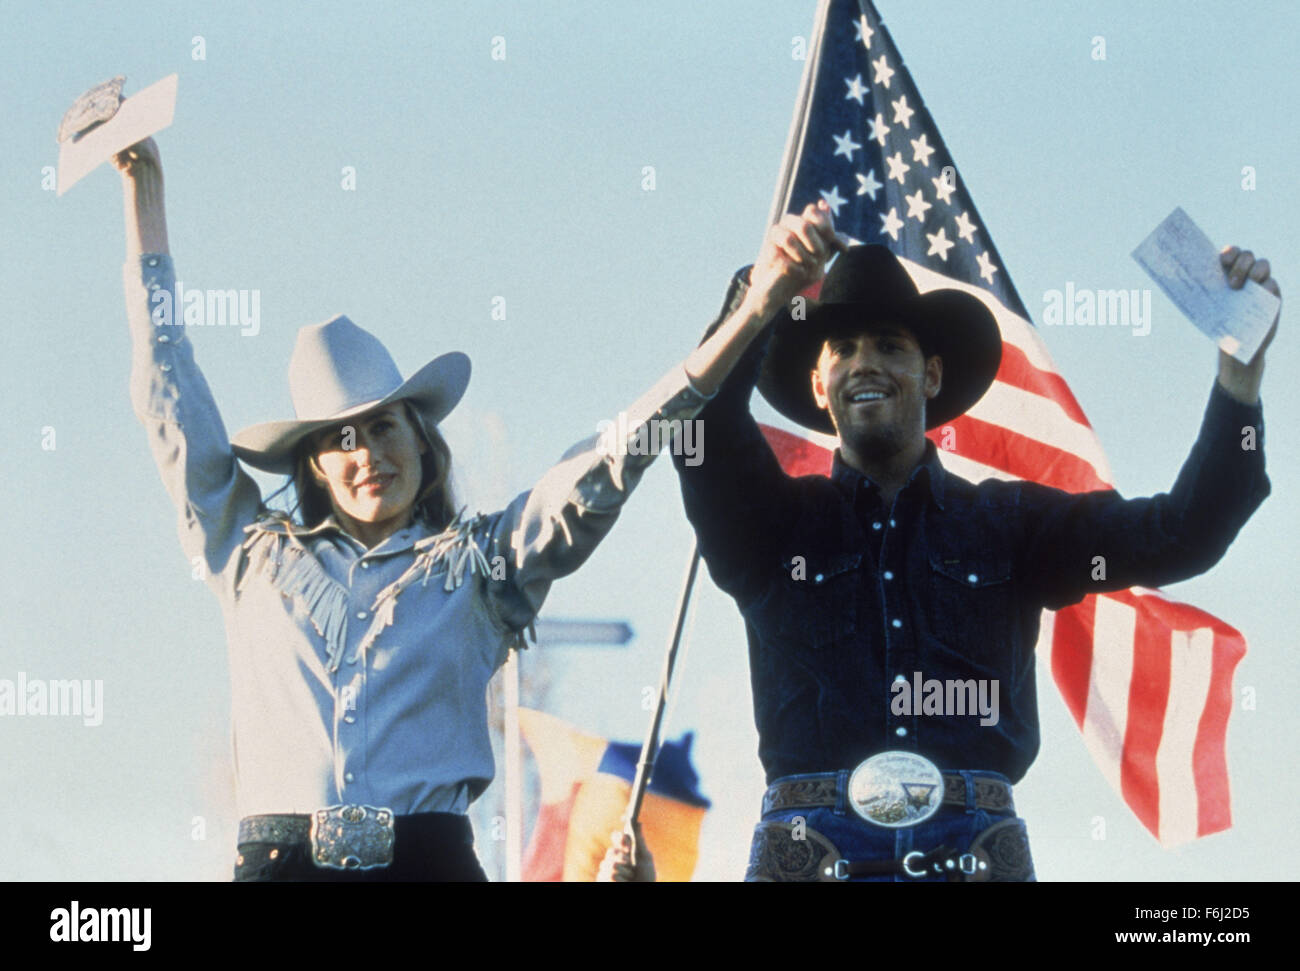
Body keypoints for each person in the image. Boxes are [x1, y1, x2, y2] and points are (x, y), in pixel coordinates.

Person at [111, 137, 819, 881]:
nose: (369, 455)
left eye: (386, 426)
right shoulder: (249, 553)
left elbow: (609, 460)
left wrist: (750, 317)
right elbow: (168, 394)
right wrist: (143, 203)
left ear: (422, 439)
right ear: (314, 463)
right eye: (343, 439)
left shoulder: (485, 567)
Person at [672, 203, 1279, 880]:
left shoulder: (1012, 524)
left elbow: (1185, 531)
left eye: (889, 345)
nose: (865, 363)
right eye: (842, 349)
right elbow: (696, 429)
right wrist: (761, 296)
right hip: (810, 854)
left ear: (930, 374)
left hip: (974, 853)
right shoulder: (768, 527)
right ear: (819, 384)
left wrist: (1240, 381)